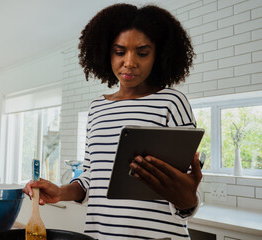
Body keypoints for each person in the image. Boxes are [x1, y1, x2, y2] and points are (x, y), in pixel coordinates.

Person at [23, 3, 202, 240]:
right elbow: (91, 178)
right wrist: (61, 192)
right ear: (105, 52)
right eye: (120, 52)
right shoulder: (97, 107)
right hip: (102, 234)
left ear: (158, 55)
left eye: (142, 52)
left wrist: (189, 199)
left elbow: (187, 185)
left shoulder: (172, 101)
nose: (129, 62)